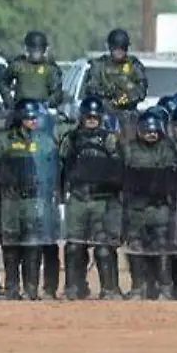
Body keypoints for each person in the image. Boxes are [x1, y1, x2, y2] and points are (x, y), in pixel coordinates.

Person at [0, 100, 60, 301]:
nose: (32, 122)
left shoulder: (46, 142)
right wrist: (1, 175)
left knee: (33, 244)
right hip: (11, 199)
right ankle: (11, 288)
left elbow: (56, 167)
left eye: (35, 118)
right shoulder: (5, 141)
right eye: (28, 118)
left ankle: (31, 288)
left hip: (35, 199)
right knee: (10, 245)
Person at [58, 96, 125, 300]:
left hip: (102, 198)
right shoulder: (71, 139)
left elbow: (119, 169)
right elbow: (62, 166)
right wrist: (60, 193)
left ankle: (110, 288)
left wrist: (116, 195)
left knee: (104, 248)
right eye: (88, 117)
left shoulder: (110, 140)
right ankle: (74, 287)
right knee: (74, 246)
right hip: (78, 197)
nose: (92, 120)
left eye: (95, 117)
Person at [120, 110, 177, 300]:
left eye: (155, 131)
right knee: (135, 246)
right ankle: (139, 287)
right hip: (136, 208)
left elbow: (171, 175)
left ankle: (165, 287)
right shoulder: (130, 149)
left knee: (162, 246)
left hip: (159, 207)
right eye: (148, 131)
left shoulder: (167, 149)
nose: (152, 134)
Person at [83, 28, 149, 120]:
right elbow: (91, 88)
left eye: (123, 48)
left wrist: (122, 99)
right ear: (110, 47)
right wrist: (107, 96)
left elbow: (141, 90)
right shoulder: (99, 65)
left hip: (127, 112)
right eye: (116, 48)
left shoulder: (134, 65)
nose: (119, 51)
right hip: (104, 113)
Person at [0, 30, 64, 112]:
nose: (36, 53)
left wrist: (48, 103)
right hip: (20, 110)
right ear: (27, 48)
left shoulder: (50, 68)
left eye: (39, 49)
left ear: (44, 50)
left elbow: (57, 92)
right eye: (33, 49)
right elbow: (2, 83)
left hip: (41, 111)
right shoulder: (18, 65)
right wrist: (9, 101)